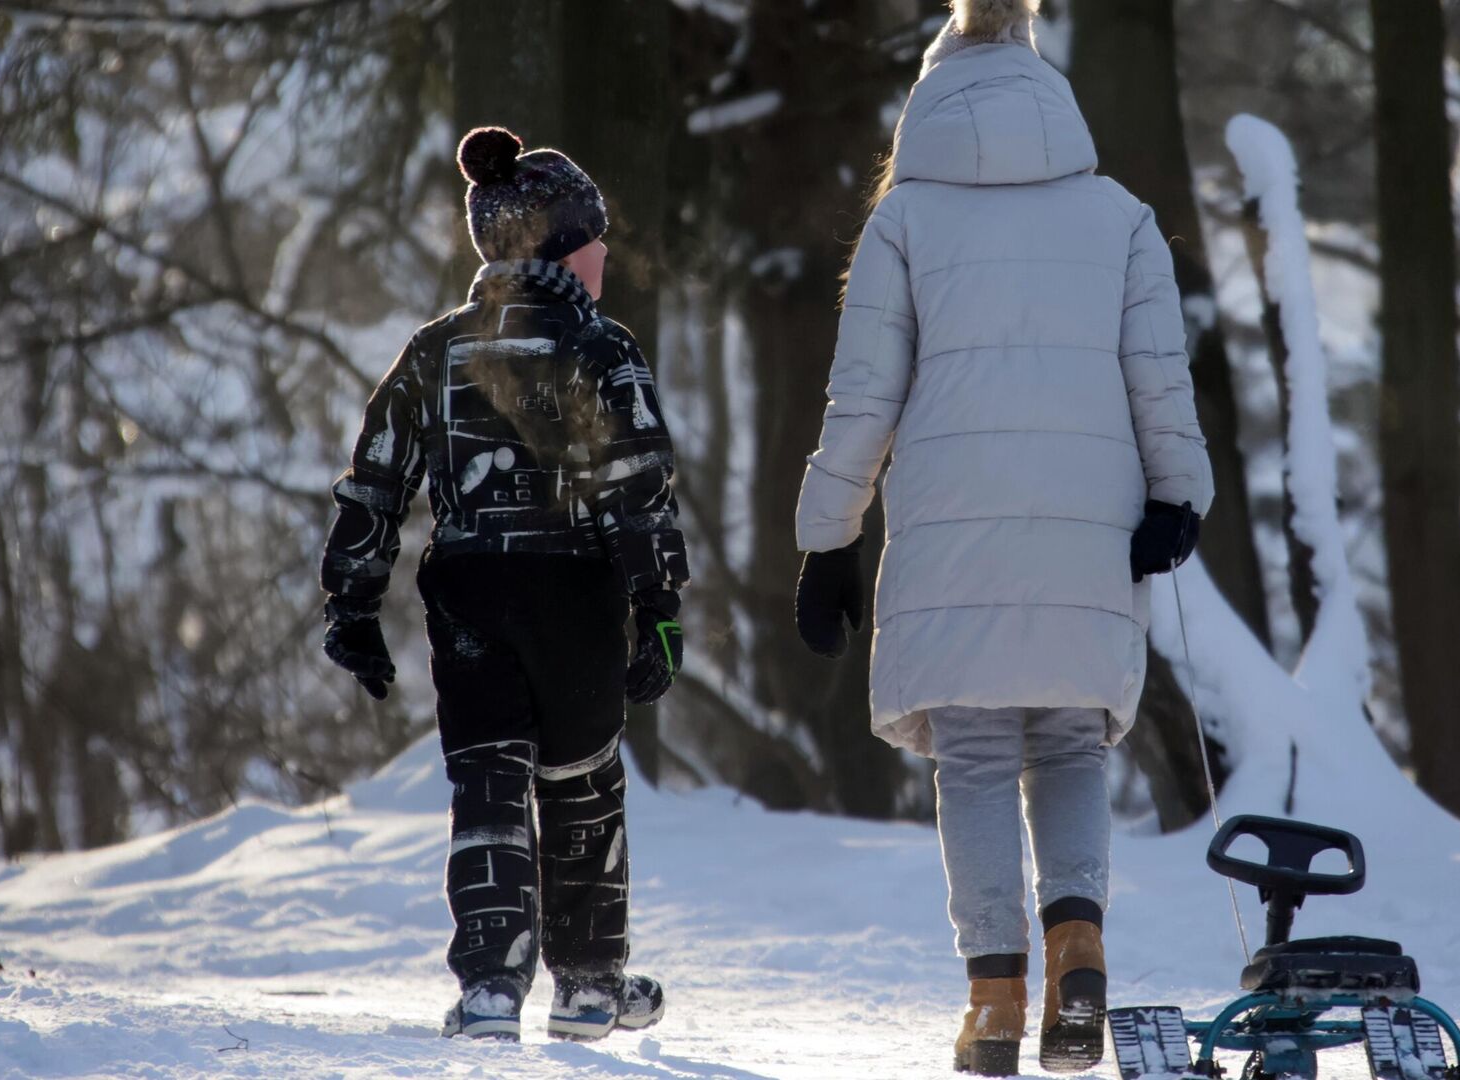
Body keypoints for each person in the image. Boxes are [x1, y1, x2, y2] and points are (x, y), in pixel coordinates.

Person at [792, 1, 1214, 1074]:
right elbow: (1158, 379)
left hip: (947, 527)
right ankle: (1078, 945)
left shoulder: (903, 222)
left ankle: (993, 1004)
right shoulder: (1117, 215)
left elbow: (862, 399)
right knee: (1071, 740)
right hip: (1091, 524)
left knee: (976, 758)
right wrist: (1180, 496)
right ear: (1045, 86)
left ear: (929, 99)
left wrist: (830, 538)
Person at [318, 126, 689, 1043]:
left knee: (487, 780)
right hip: (576, 598)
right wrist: (661, 611)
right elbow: (638, 489)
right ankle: (589, 981)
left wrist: (354, 605)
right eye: (594, 238)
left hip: (471, 593)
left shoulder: (436, 349)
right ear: (564, 245)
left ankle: (489, 983)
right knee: (582, 780)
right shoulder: (602, 348)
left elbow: (376, 479)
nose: (606, 252)